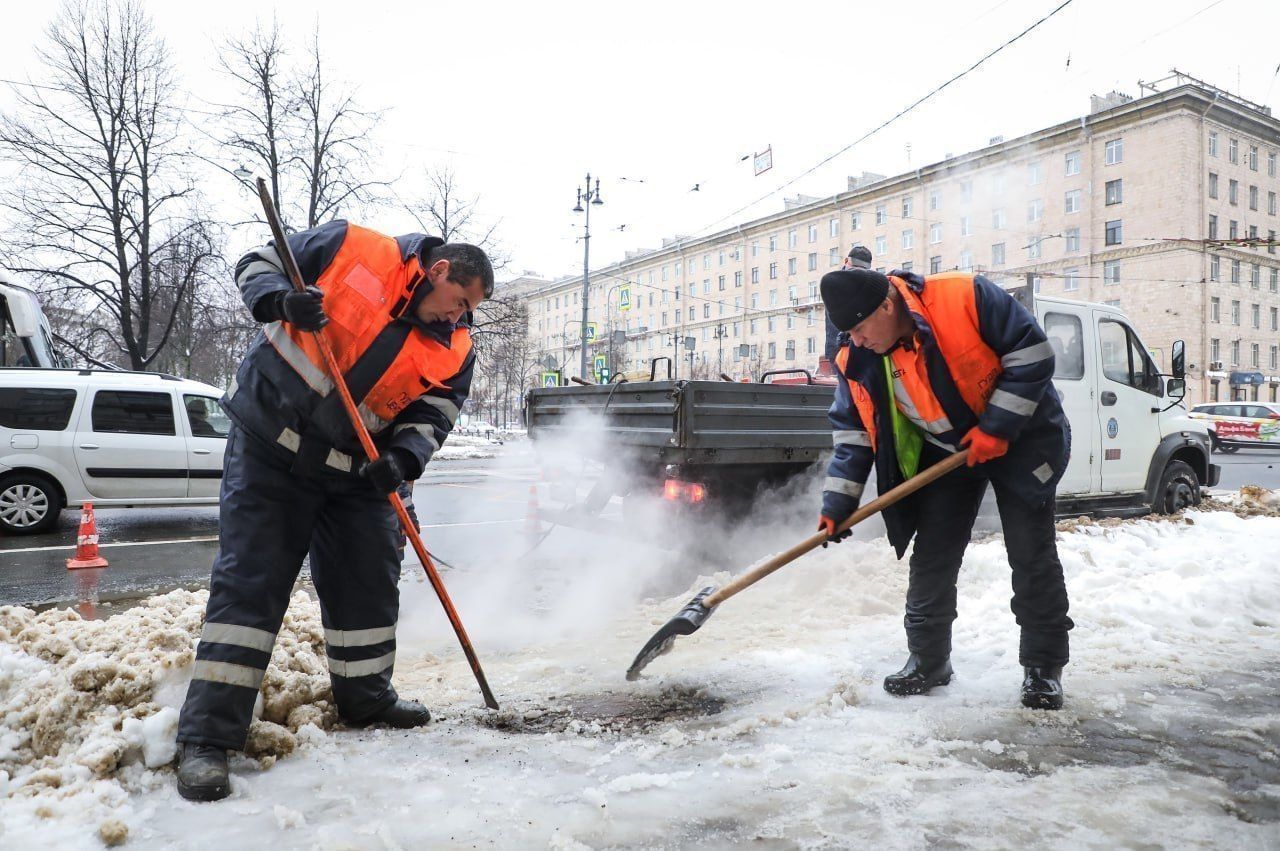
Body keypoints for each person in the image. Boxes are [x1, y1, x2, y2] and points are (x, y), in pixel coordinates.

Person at [175, 220, 493, 801]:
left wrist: (401, 459)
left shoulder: (458, 347)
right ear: (439, 270)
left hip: (357, 473)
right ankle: (207, 740)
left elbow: (435, 414)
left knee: (369, 586)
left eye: (469, 310)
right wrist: (279, 301)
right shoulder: (353, 246)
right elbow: (259, 261)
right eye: (459, 301)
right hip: (272, 447)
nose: (458, 316)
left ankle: (366, 700)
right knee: (251, 585)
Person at [817, 266, 1072, 710]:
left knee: (1030, 551)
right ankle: (928, 660)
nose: (855, 340)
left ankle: (1042, 668)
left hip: (1023, 435)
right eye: (847, 332)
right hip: (946, 448)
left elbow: (1032, 353)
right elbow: (853, 435)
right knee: (932, 554)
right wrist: (837, 503)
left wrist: (998, 426)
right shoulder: (855, 360)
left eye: (858, 328)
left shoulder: (962, 296)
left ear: (887, 305)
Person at [824, 245, 873, 365]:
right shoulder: (834, 283)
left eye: (862, 268)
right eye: (855, 266)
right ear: (846, 261)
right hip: (839, 350)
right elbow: (835, 325)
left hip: (862, 348)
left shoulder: (870, 285)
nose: (857, 271)